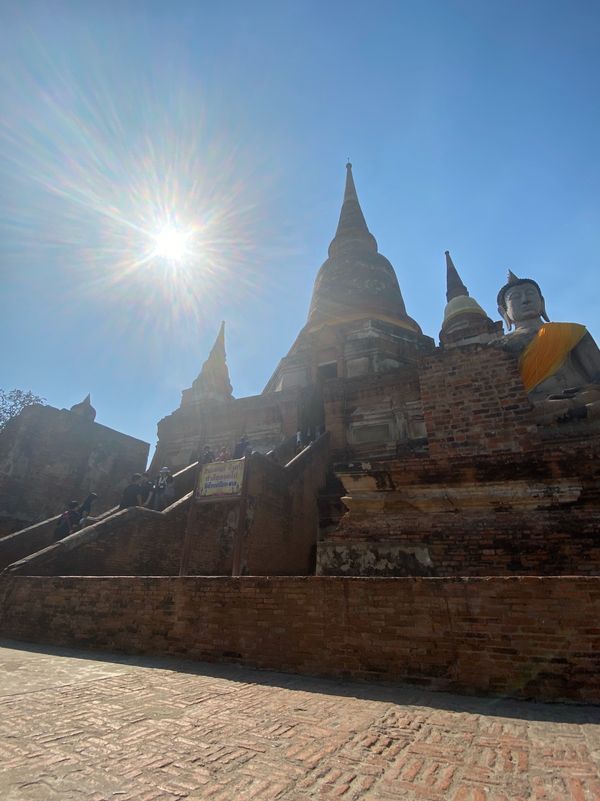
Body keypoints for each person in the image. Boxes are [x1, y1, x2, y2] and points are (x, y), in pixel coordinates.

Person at [497, 270, 600, 400]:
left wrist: (588, 391)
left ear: (542, 302)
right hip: (538, 407)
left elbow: (597, 374)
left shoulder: (572, 331)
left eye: (530, 293)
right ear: (503, 311)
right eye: (515, 297)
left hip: (585, 398)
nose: (525, 300)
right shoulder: (501, 345)